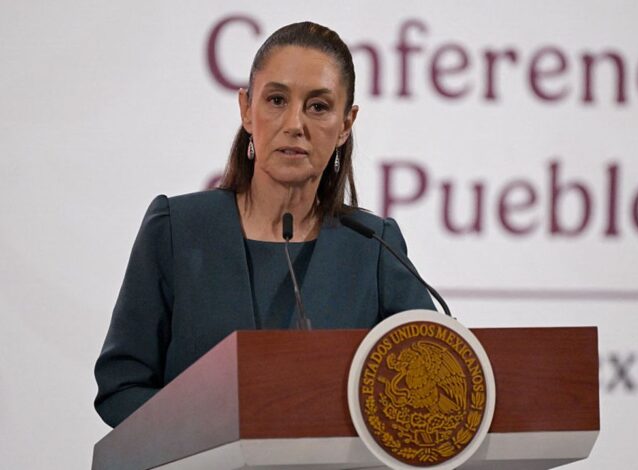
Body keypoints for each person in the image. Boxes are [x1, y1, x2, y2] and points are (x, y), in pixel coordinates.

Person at [94, 22, 435, 428]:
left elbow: (435, 382)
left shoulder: (373, 246)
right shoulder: (177, 229)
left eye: (318, 107)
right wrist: (207, 432)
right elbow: (121, 387)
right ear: (246, 109)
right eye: (276, 100)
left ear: (346, 124)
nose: (294, 124)